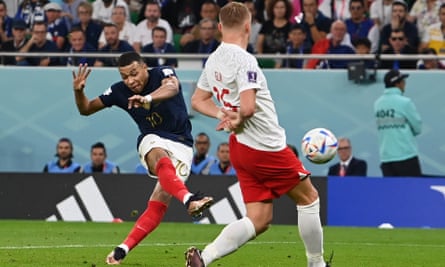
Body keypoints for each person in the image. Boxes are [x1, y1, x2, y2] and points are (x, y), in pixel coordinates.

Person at [187, 3, 330, 267]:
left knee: (259, 219)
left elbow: (197, 100)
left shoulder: (214, 58)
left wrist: (223, 115)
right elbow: (249, 106)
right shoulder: (245, 60)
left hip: (240, 147)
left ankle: (203, 257)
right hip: (265, 147)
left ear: (218, 28)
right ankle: (316, 264)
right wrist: (238, 115)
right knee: (309, 199)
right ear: (247, 27)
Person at [71, 51, 214, 264]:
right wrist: (78, 92)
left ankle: (122, 249)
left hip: (182, 145)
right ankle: (189, 199)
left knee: (157, 203)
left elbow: (172, 87)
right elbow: (86, 109)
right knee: (155, 149)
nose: (130, 81)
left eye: (134, 73)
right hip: (153, 139)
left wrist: (147, 98)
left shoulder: (162, 73)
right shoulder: (119, 91)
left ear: (144, 67)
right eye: (124, 76)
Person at [374, 69, 423, 177]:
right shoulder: (405, 102)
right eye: (403, 81)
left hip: (386, 157)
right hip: (406, 156)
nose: (404, 84)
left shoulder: (377, 104)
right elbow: (418, 128)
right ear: (397, 84)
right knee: (412, 191)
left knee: (393, 192)